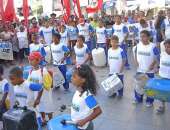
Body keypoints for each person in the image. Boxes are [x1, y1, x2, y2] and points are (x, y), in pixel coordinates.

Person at [133, 30, 160, 107]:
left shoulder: (153, 46)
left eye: (144, 36)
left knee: (150, 87)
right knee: (138, 86)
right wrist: (135, 61)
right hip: (140, 70)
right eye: (141, 36)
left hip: (149, 71)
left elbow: (157, 56)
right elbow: (134, 52)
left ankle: (150, 101)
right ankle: (138, 99)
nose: (142, 38)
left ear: (148, 37)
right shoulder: (138, 45)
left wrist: (153, 64)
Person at [71, 64, 102, 130]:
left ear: (83, 80)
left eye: (74, 77)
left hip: (84, 127)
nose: (71, 78)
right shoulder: (78, 90)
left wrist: (84, 121)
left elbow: (98, 111)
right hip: (76, 124)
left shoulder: (86, 95)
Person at [27, 52, 54, 125]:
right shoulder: (30, 71)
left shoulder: (43, 71)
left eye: (32, 59)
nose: (30, 61)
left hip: (45, 95)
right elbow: (28, 83)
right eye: (29, 59)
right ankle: (43, 120)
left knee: (48, 108)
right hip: (36, 95)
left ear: (38, 60)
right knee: (40, 108)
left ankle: (51, 121)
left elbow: (49, 85)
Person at [156, 39, 170, 114]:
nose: (167, 49)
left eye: (169, 47)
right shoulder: (162, 54)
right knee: (162, 93)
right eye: (166, 47)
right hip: (162, 77)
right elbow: (159, 63)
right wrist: (157, 68)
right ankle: (162, 106)